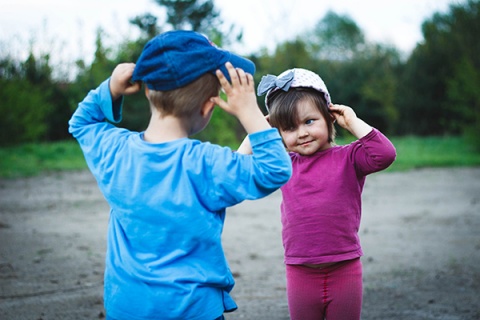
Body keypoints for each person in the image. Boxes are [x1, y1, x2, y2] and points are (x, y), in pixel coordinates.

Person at [68, 30, 292, 320]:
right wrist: (248, 112)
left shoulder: (115, 151)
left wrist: (111, 87)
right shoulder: (207, 163)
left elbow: (81, 122)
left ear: (149, 91)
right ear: (208, 106)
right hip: (193, 309)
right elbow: (275, 169)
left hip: (127, 308)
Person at [239, 68, 396, 319]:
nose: (301, 133)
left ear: (329, 116)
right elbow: (239, 168)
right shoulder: (283, 164)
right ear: (278, 132)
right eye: (289, 127)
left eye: (309, 121)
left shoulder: (349, 157)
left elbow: (385, 154)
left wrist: (351, 120)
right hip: (300, 271)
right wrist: (258, 130)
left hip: (344, 268)